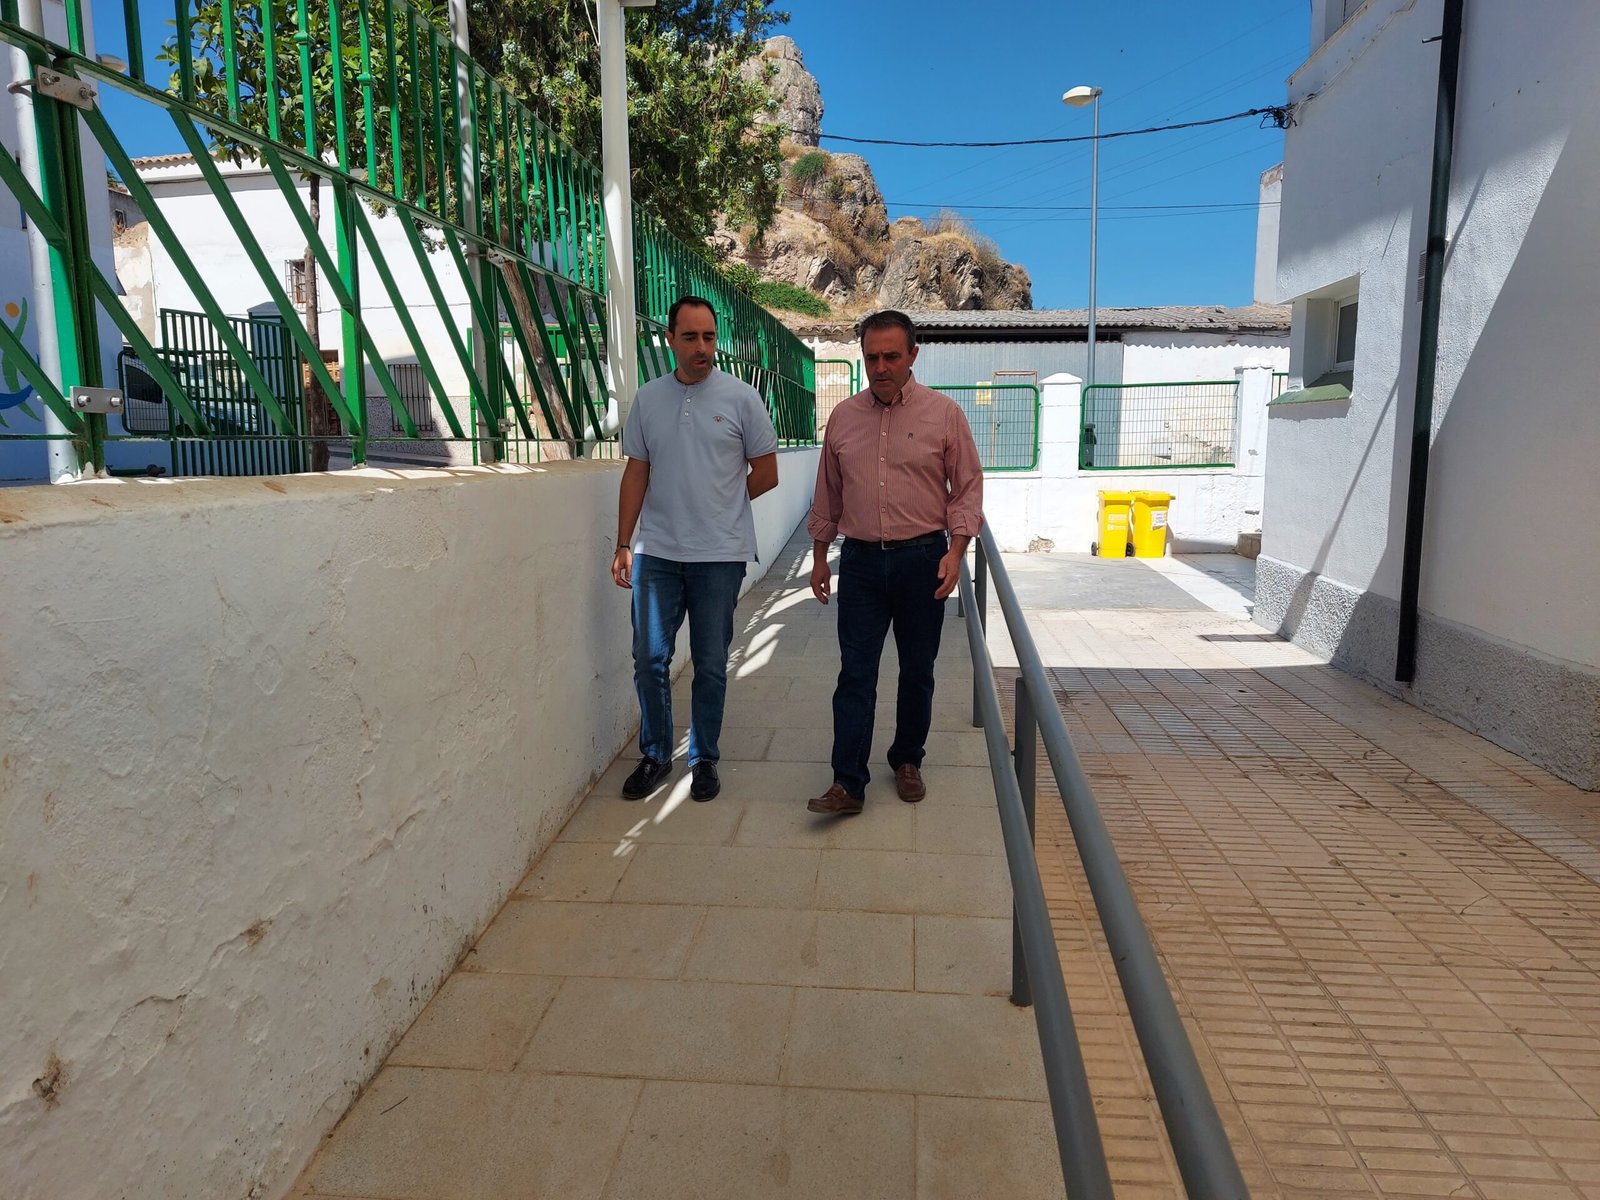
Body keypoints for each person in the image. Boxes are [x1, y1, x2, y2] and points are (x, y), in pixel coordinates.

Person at [805, 310, 983, 816]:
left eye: (891, 356)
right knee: (855, 674)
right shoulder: (842, 417)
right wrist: (820, 558)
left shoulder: (944, 414)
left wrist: (956, 551)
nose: (880, 367)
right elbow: (828, 493)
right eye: (871, 357)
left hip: (923, 559)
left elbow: (967, 486)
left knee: (917, 670)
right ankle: (847, 782)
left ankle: (907, 759)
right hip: (859, 564)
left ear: (912, 356)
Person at [612, 296, 780, 802]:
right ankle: (656, 755)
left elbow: (766, 473)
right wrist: (623, 543)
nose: (703, 347)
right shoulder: (648, 399)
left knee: (709, 662)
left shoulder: (742, 398)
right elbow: (636, 472)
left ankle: (704, 757)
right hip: (656, 552)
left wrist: (720, 506)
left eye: (709, 337)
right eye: (691, 337)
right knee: (649, 659)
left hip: (719, 556)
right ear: (671, 340)